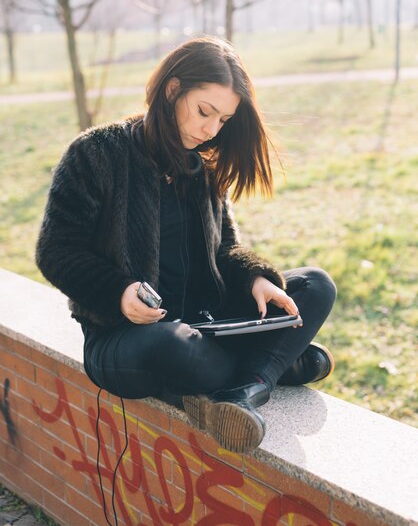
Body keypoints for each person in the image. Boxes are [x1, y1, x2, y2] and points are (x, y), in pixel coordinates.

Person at [36, 36, 337, 454]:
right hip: (128, 337)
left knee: (315, 285)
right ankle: (273, 363)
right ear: (173, 90)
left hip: (208, 324)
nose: (210, 129)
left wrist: (254, 279)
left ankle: (245, 391)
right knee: (172, 342)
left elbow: (225, 248)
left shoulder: (203, 167)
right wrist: (119, 292)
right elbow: (56, 251)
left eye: (223, 120)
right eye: (204, 112)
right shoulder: (97, 153)